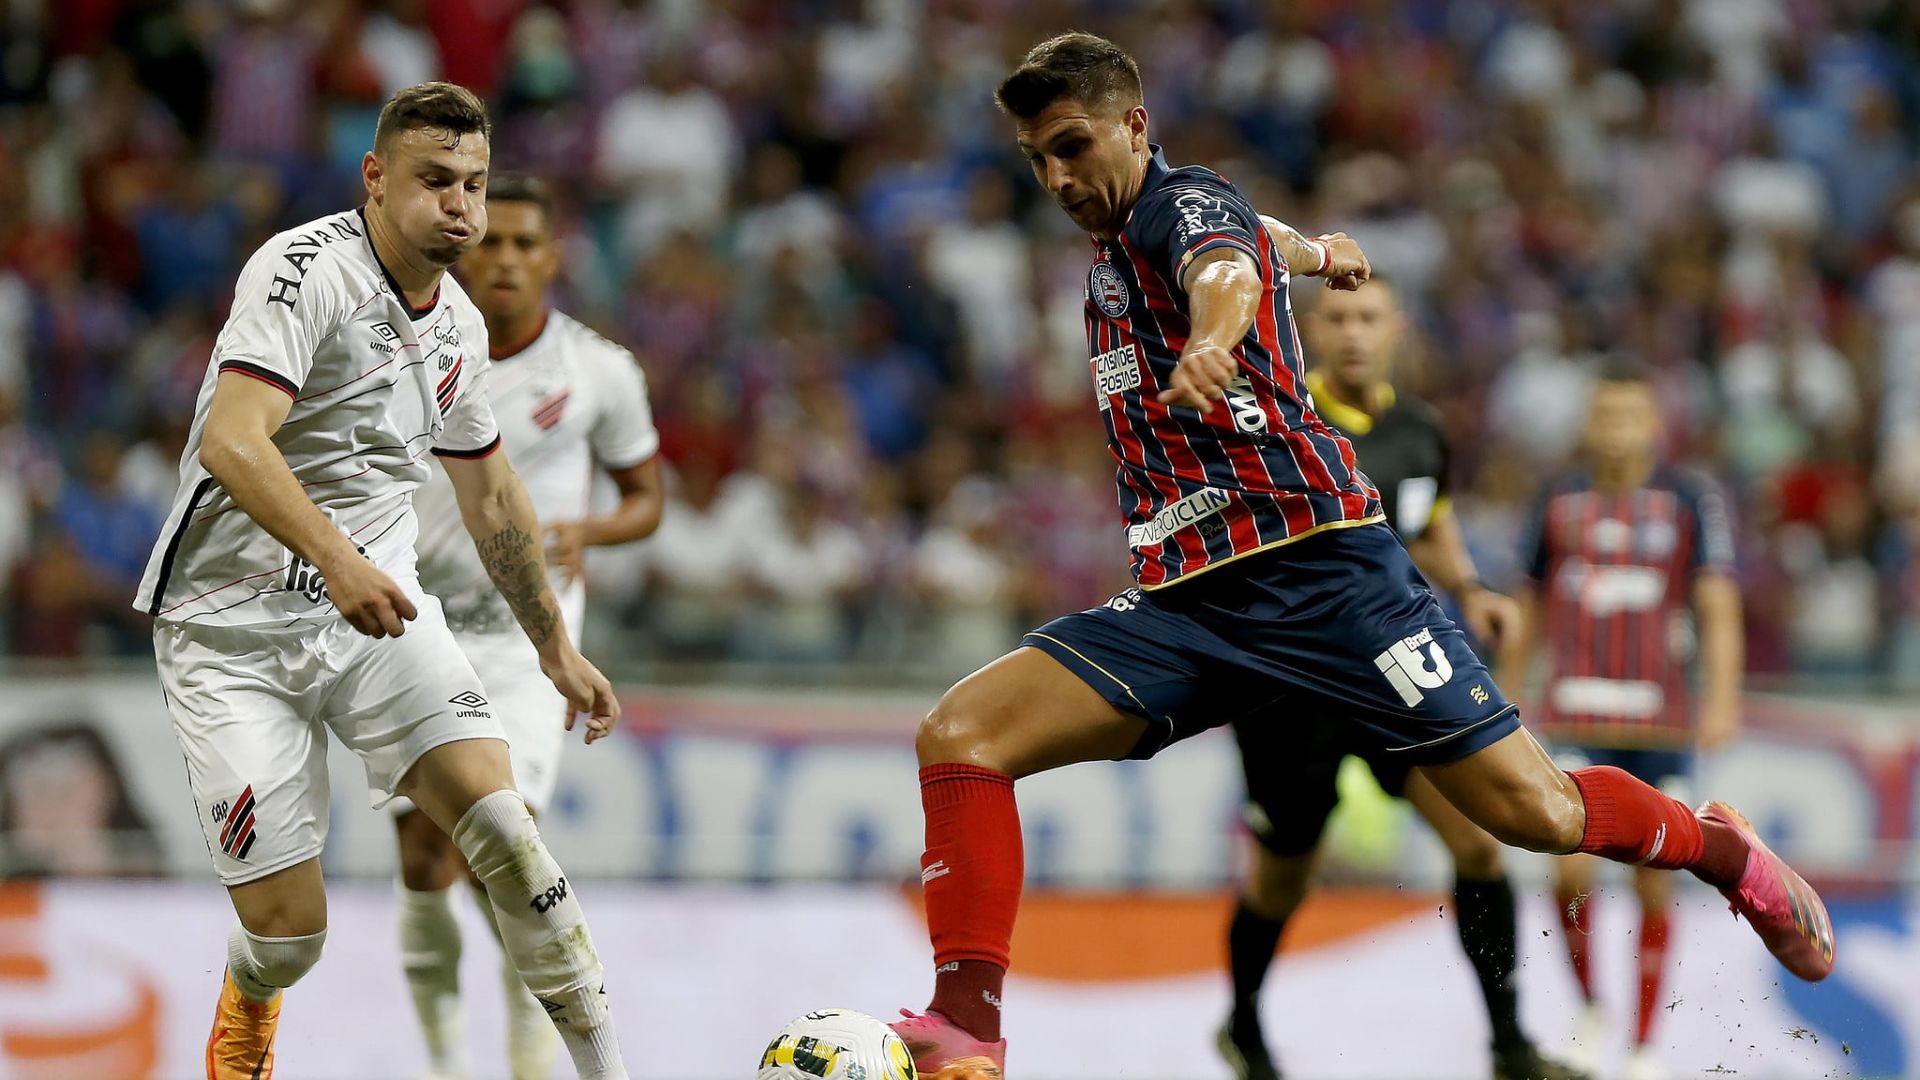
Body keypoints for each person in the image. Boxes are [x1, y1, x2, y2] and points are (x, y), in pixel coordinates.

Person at [889, 33, 1832, 1080]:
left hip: (1327, 580)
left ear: (1135, 126)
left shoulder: (1177, 209)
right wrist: (1317, 251)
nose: (1057, 177)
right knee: (962, 733)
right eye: (1035, 159)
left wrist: (1214, 337)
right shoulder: (1134, 235)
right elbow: (1255, 239)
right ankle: (968, 1033)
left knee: (1537, 815)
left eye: (1071, 145)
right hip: (1189, 607)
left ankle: (1720, 849)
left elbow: (1222, 264)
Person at [132, 83, 628, 1080]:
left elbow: (492, 495)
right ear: (376, 179)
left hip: (381, 621)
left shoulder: (459, 329)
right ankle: (250, 1001)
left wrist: (555, 649)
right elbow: (234, 442)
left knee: (511, 842)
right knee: (287, 936)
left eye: (475, 185)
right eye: (435, 181)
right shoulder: (302, 269)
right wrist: (337, 555)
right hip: (231, 631)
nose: (461, 207)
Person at [1221, 276, 1581, 1080]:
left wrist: (1470, 588)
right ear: (1314, 328)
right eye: (1339, 317)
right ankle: (1242, 1025)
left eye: (1368, 318)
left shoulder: (1421, 430)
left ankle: (1511, 1046)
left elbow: (1428, 519)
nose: (1353, 332)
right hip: (1292, 693)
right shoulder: (1277, 423)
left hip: (1393, 681)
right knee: (1284, 877)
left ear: (1396, 330)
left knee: (1480, 844)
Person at [396, 172, 664, 1080]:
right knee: (422, 857)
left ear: (551, 257)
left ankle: (526, 1054)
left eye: (524, 243)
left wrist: (591, 530)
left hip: (526, 641)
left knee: (506, 842)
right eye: (491, 242)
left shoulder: (599, 370)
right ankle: (441, 1063)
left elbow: (647, 500)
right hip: (412, 626)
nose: (505, 259)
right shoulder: (412, 350)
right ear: (465, 251)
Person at [1508, 361, 1743, 1080]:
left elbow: (1715, 601)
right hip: (1577, 705)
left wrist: (1724, 695)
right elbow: (1530, 601)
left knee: (1654, 879)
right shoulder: (1557, 498)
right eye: (1605, 417)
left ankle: (1643, 1044)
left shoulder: (1687, 500)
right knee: (1568, 865)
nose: (1617, 431)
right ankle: (1589, 1005)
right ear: (1589, 425)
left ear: (1654, 425)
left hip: (1659, 718)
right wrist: (1509, 689)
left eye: (1630, 417)